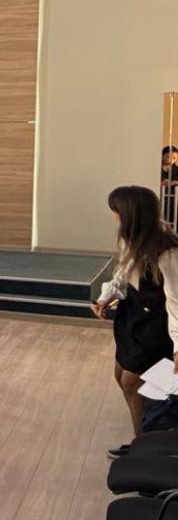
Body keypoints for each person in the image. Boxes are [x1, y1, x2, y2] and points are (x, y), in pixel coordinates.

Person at [92, 185, 178, 437]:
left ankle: (143, 444)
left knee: (132, 381)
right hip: (134, 315)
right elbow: (123, 272)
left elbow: (176, 301)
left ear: (130, 214)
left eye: (116, 211)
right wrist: (105, 297)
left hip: (155, 322)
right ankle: (141, 438)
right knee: (121, 374)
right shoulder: (134, 238)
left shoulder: (168, 251)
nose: (114, 216)